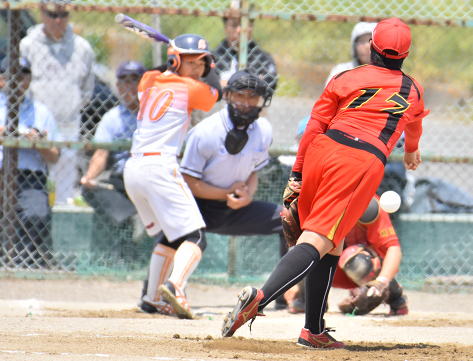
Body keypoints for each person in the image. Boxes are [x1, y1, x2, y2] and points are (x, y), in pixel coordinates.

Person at [221, 18, 429, 348]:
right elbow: (414, 127)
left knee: (334, 242)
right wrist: (411, 152)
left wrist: (298, 174)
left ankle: (313, 330)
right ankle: (259, 298)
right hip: (360, 161)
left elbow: (315, 124)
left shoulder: (346, 77)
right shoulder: (412, 90)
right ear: (404, 56)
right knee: (319, 239)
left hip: (322, 151)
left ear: (372, 49)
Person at [139, 69, 288, 314]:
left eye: (254, 97)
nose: (247, 103)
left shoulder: (264, 130)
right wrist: (225, 193)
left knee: (288, 220)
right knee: (178, 235)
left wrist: (247, 195)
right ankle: (153, 294)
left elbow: (253, 171)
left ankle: (288, 296)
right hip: (198, 203)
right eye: (241, 96)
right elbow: (187, 181)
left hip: (235, 206)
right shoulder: (205, 132)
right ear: (228, 96)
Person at [124, 35, 219, 319]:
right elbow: (213, 94)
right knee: (196, 236)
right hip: (160, 167)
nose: (199, 69)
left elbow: (160, 74)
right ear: (175, 60)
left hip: (135, 169)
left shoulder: (148, 80)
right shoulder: (192, 88)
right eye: (193, 63)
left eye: (203, 63)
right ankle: (176, 286)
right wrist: (213, 70)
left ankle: (152, 299)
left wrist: (183, 62)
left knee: (170, 234)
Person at [20, 0, 95, 204]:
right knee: (34, 190)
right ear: (42, 12)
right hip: (34, 129)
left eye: (63, 14)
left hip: (67, 130)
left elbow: (87, 91)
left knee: (63, 196)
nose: (58, 20)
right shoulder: (28, 46)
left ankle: (61, 234)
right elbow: (21, 87)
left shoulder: (82, 48)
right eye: (52, 14)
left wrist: (70, 111)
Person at [285, 192, 409, 316]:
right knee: (309, 248)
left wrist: (381, 282)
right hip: (333, 265)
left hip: (366, 268)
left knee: (355, 259)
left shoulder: (367, 205)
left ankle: (394, 295)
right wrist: (294, 283)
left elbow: (393, 248)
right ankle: (307, 300)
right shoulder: (320, 200)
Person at [0, 56, 60, 267]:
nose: (18, 81)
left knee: (36, 214)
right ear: (2, 80)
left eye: (23, 76)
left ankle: (25, 263)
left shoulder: (41, 112)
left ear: (29, 80)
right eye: (12, 76)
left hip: (28, 177)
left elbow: (54, 156)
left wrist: (37, 143)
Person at [80, 61, 146, 238]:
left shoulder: (154, 114)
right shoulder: (112, 117)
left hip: (149, 176)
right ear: (117, 85)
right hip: (121, 179)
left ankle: (134, 218)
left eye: (135, 80)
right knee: (89, 189)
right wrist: (89, 177)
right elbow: (101, 153)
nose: (130, 86)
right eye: (125, 81)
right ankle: (130, 217)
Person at [211, 16, 277, 90]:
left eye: (243, 24)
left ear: (251, 27)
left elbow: (270, 85)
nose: (239, 30)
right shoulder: (213, 57)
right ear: (225, 27)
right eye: (234, 25)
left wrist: (228, 84)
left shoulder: (263, 58)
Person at [325, 22, 377, 86]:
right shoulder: (341, 71)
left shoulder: (386, 73)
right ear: (354, 44)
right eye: (362, 41)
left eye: (371, 41)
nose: (367, 46)